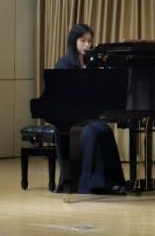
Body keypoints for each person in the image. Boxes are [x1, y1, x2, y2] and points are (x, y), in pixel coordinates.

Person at [54, 24, 126, 195]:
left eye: (89, 41)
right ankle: (88, 184)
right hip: (69, 117)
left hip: (87, 115)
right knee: (93, 131)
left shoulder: (91, 64)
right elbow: (61, 95)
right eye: (83, 41)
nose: (87, 45)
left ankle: (111, 182)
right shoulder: (64, 64)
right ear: (74, 42)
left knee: (104, 129)